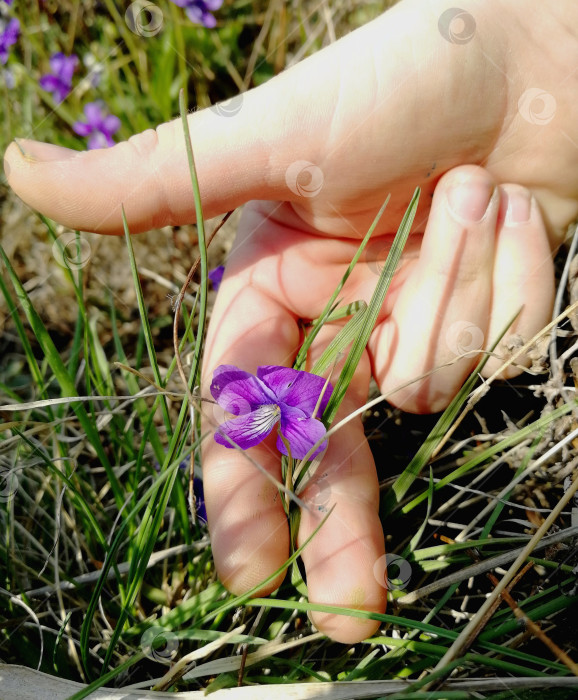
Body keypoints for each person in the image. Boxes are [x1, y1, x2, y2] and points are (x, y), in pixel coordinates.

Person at [4, 0, 578, 644]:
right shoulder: (277, 406)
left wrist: (538, 43)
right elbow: (244, 404)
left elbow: (275, 407)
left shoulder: (293, 406)